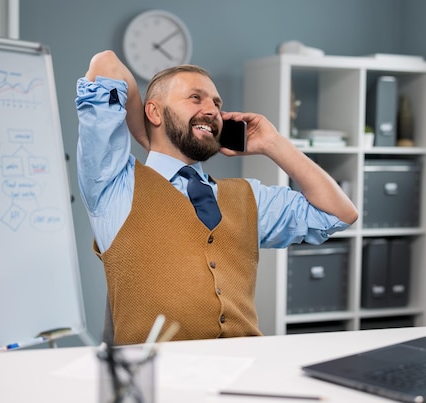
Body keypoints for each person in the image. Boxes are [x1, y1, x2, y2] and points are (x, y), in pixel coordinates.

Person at [76, 50, 358, 345]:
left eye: (217, 103)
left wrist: (274, 143)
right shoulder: (113, 186)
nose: (212, 109)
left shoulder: (249, 197)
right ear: (154, 112)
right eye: (195, 98)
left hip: (244, 372)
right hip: (157, 381)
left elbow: (338, 213)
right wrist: (147, 137)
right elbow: (105, 63)